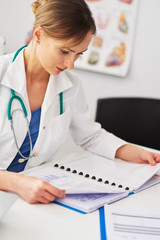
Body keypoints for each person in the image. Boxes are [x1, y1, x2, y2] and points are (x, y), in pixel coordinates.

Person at [0, 0, 160, 205]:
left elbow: (90, 136)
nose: (70, 64)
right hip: (18, 190)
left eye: (79, 54)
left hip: (34, 196)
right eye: (64, 51)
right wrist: (16, 182)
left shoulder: (70, 84)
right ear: (38, 35)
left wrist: (135, 152)